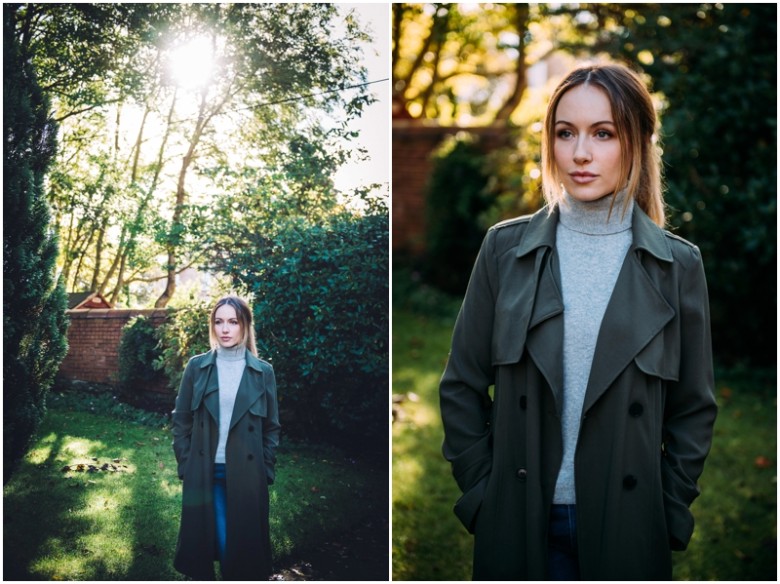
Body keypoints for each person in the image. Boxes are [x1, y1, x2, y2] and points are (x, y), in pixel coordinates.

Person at [439, 63, 717, 580]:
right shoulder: (505, 250)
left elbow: (693, 410)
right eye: (565, 133)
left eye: (603, 133)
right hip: (519, 522)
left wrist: (670, 512)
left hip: (628, 527)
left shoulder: (679, 266)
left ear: (635, 142)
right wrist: (483, 493)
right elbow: (460, 386)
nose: (580, 153)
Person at [172, 295, 281, 580]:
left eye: (233, 321)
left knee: (243, 549)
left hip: (247, 474)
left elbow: (272, 427)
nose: (225, 329)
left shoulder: (263, 372)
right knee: (219, 544)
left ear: (245, 325)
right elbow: (181, 419)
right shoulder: (197, 367)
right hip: (207, 472)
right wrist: (186, 463)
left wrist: (265, 468)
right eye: (219, 321)